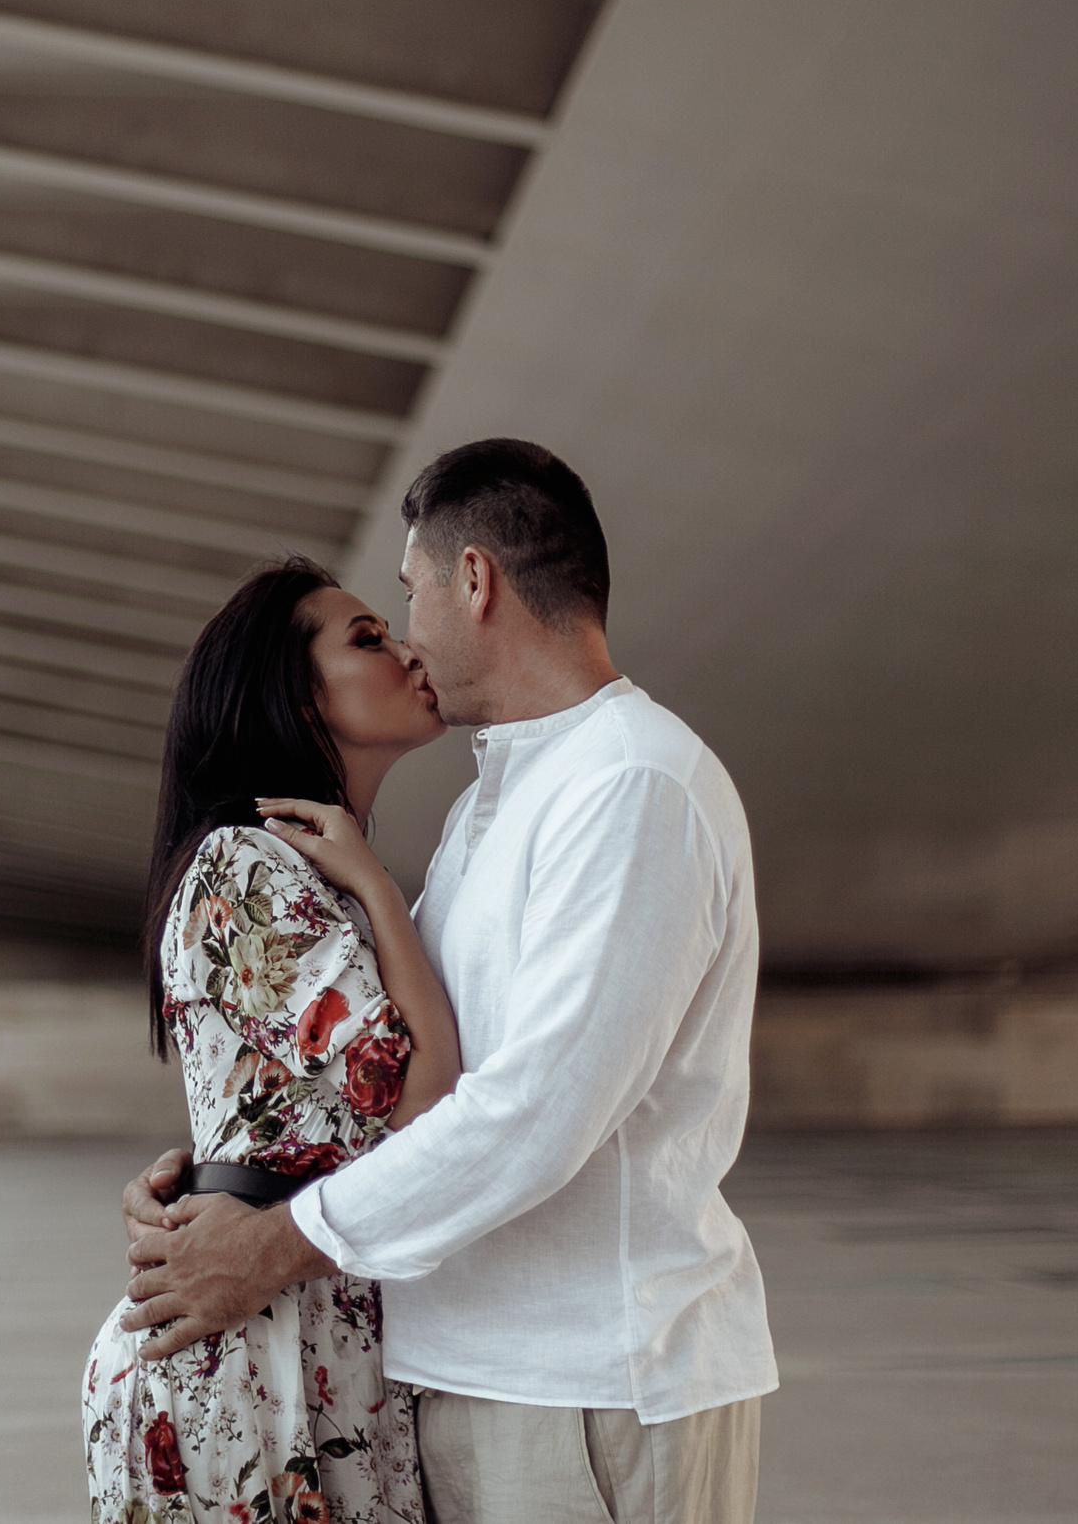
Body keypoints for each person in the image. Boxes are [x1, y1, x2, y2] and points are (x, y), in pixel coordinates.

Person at [119, 439, 777, 1524]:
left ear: (473, 580)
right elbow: (367, 1091)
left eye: (407, 596)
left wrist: (267, 1243)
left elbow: (530, 1115)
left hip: (587, 1387)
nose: (409, 635)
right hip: (465, 1380)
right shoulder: (496, 802)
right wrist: (204, 1194)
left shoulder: (627, 785)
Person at [83, 556, 463, 1523]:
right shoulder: (242, 865)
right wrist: (377, 883)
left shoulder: (322, 881)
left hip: (307, 1326)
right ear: (296, 698)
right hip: (251, 1352)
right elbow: (422, 1097)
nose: (410, 651)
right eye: (368, 639)